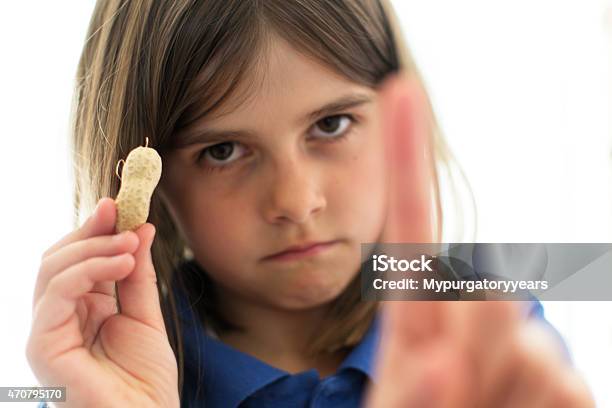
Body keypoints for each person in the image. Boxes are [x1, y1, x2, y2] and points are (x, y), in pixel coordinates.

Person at [27, 1, 594, 407]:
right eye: (223, 151)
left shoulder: (491, 323)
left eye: (332, 124)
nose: (297, 203)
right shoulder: (112, 374)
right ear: (148, 181)